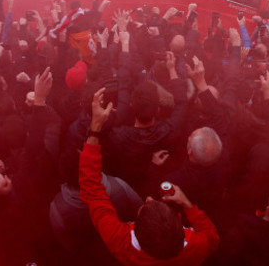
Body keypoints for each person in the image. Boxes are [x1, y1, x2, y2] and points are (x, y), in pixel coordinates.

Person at [79, 88, 220, 265]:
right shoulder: (197, 247)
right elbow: (212, 238)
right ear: (182, 228)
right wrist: (188, 204)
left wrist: (95, 127)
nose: (147, 199)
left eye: (143, 208)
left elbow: (91, 190)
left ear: (134, 228)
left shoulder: (121, 243)